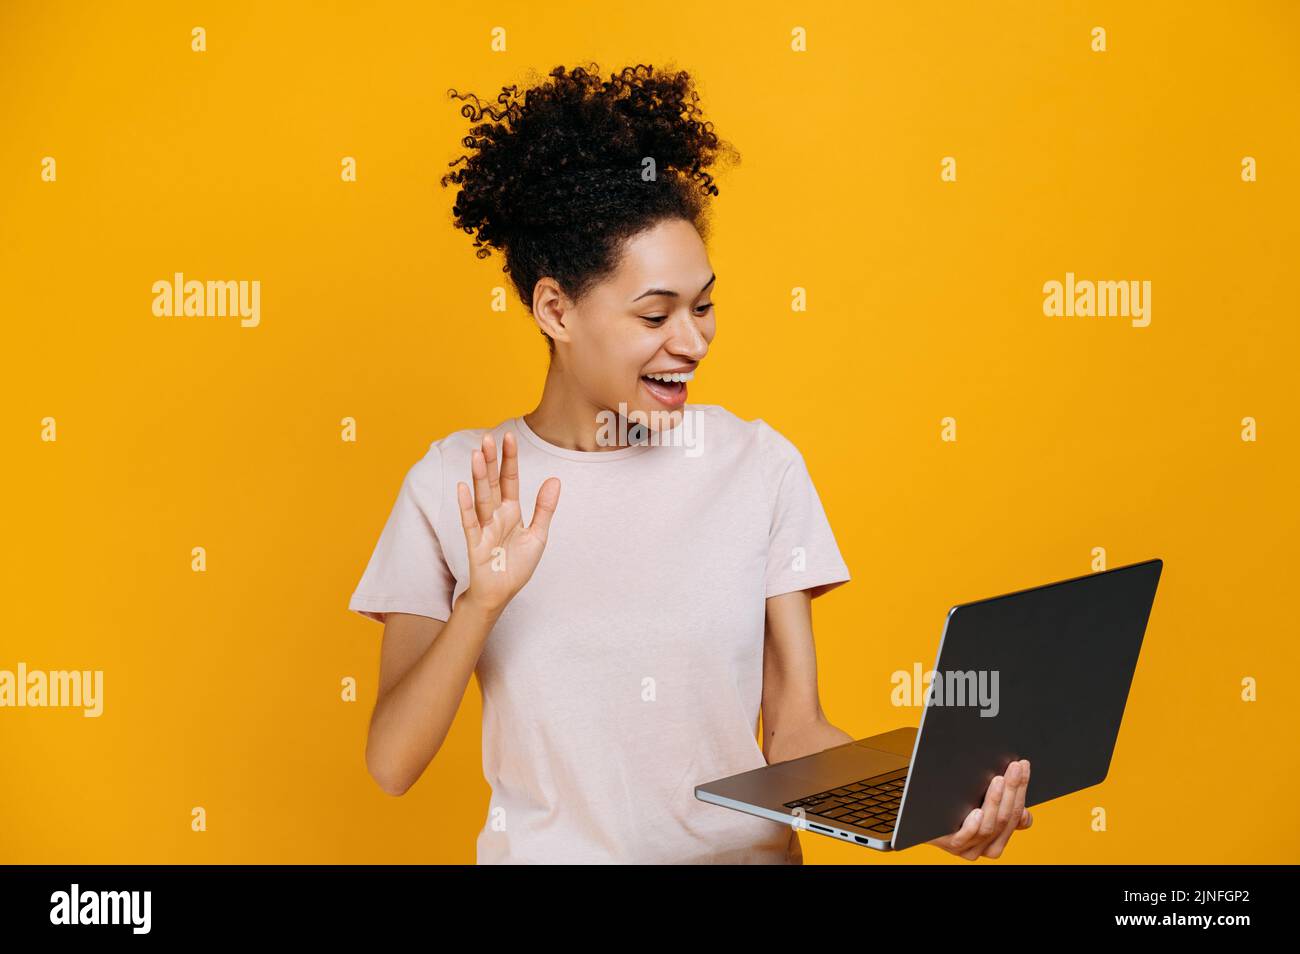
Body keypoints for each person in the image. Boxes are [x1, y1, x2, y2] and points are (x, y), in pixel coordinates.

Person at [349, 63, 1032, 863]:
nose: (693, 341)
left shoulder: (756, 463)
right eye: (655, 314)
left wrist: (930, 804)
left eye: (704, 306)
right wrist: (483, 602)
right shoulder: (457, 483)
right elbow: (391, 764)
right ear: (554, 309)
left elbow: (793, 731)